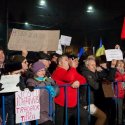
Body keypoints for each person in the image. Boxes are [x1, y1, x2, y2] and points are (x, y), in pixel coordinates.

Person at [52, 54, 88, 125]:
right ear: (60, 63)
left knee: (84, 115)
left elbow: (83, 79)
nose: (68, 61)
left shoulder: (70, 71)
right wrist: (73, 67)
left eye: (68, 59)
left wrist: (78, 81)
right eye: (66, 60)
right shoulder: (58, 71)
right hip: (62, 105)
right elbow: (69, 78)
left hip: (73, 105)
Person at [80, 57, 107, 125]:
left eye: (95, 65)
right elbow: (95, 86)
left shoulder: (93, 72)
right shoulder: (85, 72)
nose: (94, 67)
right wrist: (101, 82)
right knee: (103, 117)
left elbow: (107, 76)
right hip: (86, 102)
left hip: (92, 100)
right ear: (87, 66)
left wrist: (103, 69)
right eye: (92, 65)